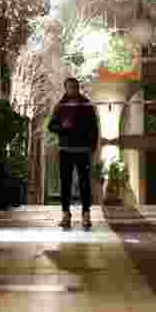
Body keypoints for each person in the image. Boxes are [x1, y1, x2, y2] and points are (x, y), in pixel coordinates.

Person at [47, 77, 99, 229]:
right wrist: (63, 127)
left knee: (84, 183)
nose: (72, 90)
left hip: (83, 149)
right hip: (65, 150)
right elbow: (51, 126)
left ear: (78, 87)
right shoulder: (60, 106)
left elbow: (94, 127)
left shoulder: (86, 105)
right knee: (65, 183)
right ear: (65, 88)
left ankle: (86, 214)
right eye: (69, 87)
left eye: (75, 87)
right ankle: (65, 214)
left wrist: (93, 146)